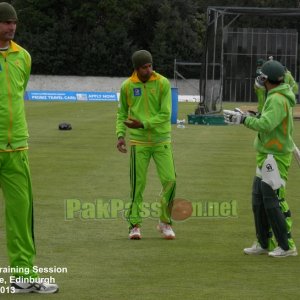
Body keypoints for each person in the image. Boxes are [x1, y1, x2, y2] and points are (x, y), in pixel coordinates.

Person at [0, 2, 59, 293]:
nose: (10, 27)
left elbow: (18, 94)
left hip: (16, 148)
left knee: (21, 216)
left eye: (14, 23)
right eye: (5, 22)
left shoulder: (23, 56)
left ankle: (23, 277)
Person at [223, 59, 298, 258]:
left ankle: (286, 245)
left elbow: (266, 124)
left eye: (262, 76)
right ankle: (264, 242)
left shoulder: (277, 99)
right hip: (267, 153)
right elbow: (266, 117)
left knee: (273, 200)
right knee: (258, 199)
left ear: (268, 79)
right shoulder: (274, 95)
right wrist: (248, 114)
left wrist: (243, 120)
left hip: (276, 155)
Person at [116, 50, 176, 240]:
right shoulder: (127, 86)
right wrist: (120, 135)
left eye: (150, 66)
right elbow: (122, 114)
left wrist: (144, 124)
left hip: (161, 140)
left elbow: (165, 114)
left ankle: (164, 222)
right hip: (139, 142)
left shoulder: (162, 83)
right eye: (144, 67)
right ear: (136, 68)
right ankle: (134, 225)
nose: (148, 69)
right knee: (137, 185)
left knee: (170, 180)